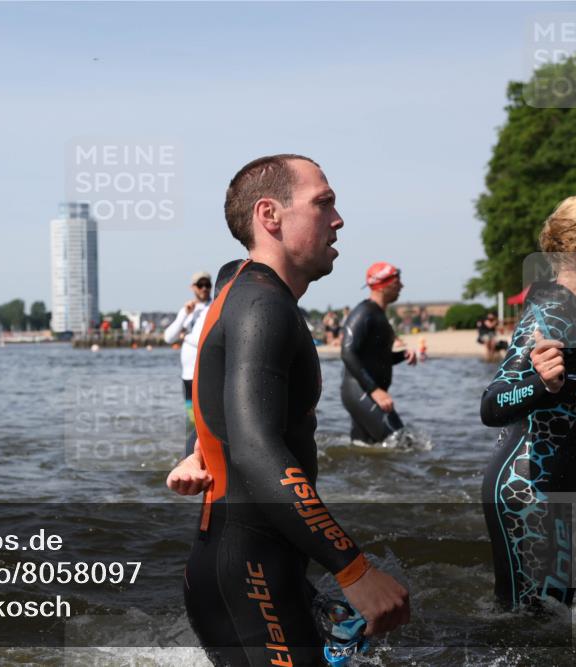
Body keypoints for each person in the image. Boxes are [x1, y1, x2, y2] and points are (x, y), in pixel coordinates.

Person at [172, 154, 409, 666]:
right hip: (250, 574)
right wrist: (354, 570)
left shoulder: (239, 284)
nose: (338, 219)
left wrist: (196, 447)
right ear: (269, 216)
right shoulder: (264, 306)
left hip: (247, 567)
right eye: (323, 204)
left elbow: (220, 391)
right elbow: (258, 449)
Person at [480, 194, 576, 610]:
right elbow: (491, 406)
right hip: (527, 492)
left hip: (570, 493)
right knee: (529, 633)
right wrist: (541, 384)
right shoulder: (547, 317)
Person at [339, 262, 417, 444]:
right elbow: (347, 352)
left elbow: (377, 359)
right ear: (384, 285)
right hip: (361, 391)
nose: (402, 287)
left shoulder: (379, 315)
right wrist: (375, 391)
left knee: (364, 449)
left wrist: (402, 355)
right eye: (398, 283)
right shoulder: (363, 313)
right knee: (403, 444)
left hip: (364, 391)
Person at [162, 270, 213, 452]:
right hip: (188, 377)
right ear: (193, 288)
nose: (205, 288)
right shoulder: (188, 311)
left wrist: (187, 337)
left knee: (205, 420)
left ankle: (203, 454)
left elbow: (204, 339)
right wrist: (184, 314)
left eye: (208, 285)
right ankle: (191, 455)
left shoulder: (213, 308)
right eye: (201, 285)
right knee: (192, 421)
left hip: (207, 375)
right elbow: (168, 337)